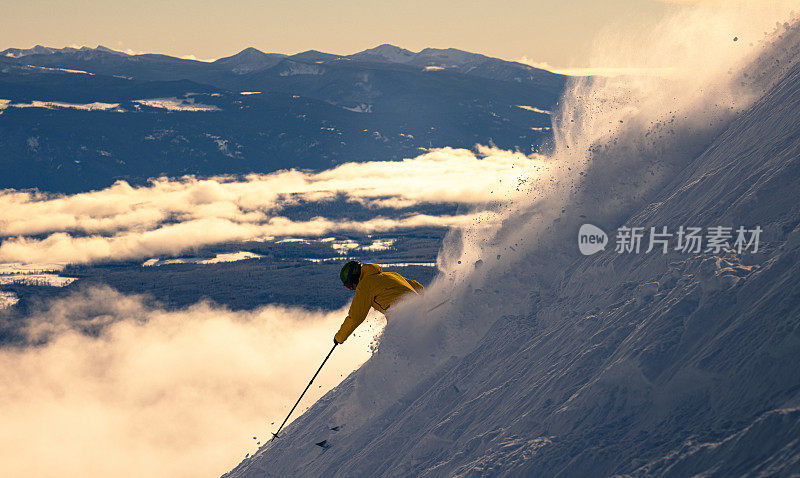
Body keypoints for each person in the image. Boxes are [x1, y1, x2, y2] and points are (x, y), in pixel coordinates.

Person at [333, 261, 423, 344]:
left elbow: (355, 317)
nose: (353, 289)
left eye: (349, 286)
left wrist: (339, 338)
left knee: (392, 345)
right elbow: (418, 286)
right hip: (418, 305)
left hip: (402, 316)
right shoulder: (391, 275)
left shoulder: (364, 286)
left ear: (354, 278)